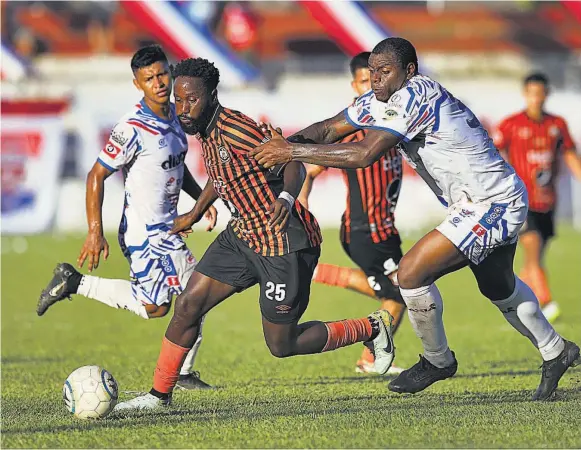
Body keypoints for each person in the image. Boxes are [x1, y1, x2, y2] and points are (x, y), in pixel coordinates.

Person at [251, 37, 580, 400]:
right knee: (497, 286)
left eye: (384, 71)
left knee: (410, 273)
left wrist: (292, 151)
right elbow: (329, 129)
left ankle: (437, 360)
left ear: (409, 71)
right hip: (482, 199)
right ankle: (557, 351)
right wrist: (274, 151)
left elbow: (363, 153)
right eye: (372, 70)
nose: (375, 78)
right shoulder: (383, 99)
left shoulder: (414, 97)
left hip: (492, 203)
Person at [113, 57, 395, 411]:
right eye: (179, 100)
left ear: (211, 96)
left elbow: (290, 160)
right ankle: (158, 397)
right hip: (242, 235)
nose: (183, 109)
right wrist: (194, 214)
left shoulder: (238, 129)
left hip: (283, 242)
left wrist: (287, 197)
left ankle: (371, 327)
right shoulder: (204, 129)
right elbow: (222, 173)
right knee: (187, 305)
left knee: (282, 344)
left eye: (192, 100)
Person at [36, 45, 217, 390]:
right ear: (138, 84)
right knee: (198, 289)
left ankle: (74, 282)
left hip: (168, 227)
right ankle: (182, 373)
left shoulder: (176, 117)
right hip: (146, 232)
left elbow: (177, 168)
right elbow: (96, 175)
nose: (159, 83)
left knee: (161, 307)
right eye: (149, 78)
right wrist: (94, 231)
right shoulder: (132, 127)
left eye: (162, 74)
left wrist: (199, 203)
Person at [298, 52, 405, 375]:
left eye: (379, 78)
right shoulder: (352, 129)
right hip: (364, 230)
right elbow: (310, 170)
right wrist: (300, 215)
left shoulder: (395, 118)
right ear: (354, 85)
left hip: (385, 229)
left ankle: (324, 274)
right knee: (400, 295)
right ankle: (371, 358)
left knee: (399, 290)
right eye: (364, 80)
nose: (372, 85)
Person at [494, 73, 581, 323]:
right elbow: (493, 152)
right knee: (531, 250)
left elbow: (570, 155)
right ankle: (547, 302)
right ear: (525, 95)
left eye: (540, 94)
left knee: (536, 258)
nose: (536, 99)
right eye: (531, 94)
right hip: (523, 202)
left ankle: (515, 302)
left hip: (548, 201)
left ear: (546, 94)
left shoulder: (557, 125)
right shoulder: (511, 124)